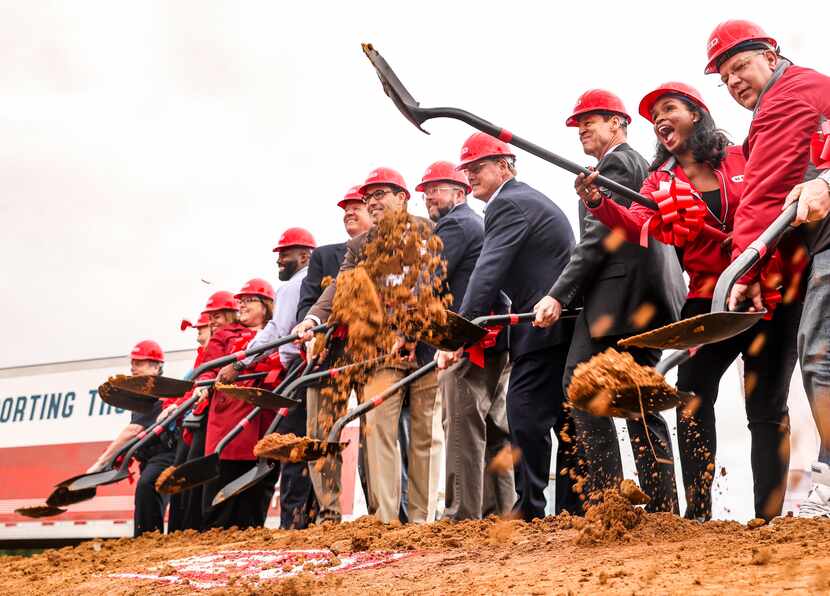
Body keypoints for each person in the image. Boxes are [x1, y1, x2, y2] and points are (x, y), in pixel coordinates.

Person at [581, 82, 801, 521]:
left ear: (697, 113)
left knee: (767, 405)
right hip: (707, 301)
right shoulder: (660, 181)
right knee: (693, 396)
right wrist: (599, 202)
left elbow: (776, 208)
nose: (660, 119)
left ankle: (770, 517)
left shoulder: (741, 157)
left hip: (766, 295)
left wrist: (748, 255)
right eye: (654, 116)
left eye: (669, 108)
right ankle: (698, 513)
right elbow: (637, 225)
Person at [533, 90, 685, 513]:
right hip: (647, 297)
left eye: (591, 120)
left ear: (617, 124)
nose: (582, 128)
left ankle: (605, 500)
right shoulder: (637, 165)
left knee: (579, 385)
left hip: (621, 300)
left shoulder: (618, 163)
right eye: (579, 122)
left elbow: (600, 238)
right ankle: (662, 504)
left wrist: (558, 295)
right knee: (639, 397)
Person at [703, 19, 830, 517]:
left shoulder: (787, 98)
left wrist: (745, 270)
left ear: (771, 57)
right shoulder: (809, 90)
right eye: (725, 77)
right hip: (814, 248)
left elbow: (764, 192)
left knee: (821, 358)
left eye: (741, 67)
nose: (734, 82)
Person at [437, 133, 576, 521]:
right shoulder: (524, 200)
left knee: (524, 414)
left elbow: (487, 273)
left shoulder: (509, 205)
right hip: (556, 324)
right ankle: (570, 507)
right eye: (466, 170)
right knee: (561, 417)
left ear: (505, 166)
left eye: (477, 168)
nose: (470, 176)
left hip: (543, 327)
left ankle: (532, 508)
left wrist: (458, 335)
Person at [294, 167, 444, 524]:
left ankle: (421, 521)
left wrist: (412, 328)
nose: (373, 202)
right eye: (369, 196)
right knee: (377, 432)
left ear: (402, 197)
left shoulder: (428, 230)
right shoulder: (359, 246)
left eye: (381, 194)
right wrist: (313, 320)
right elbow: (339, 287)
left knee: (426, 437)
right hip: (383, 354)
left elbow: (431, 278)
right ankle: (386, 521)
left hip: (424, 345)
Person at [418, 160, 515, 520]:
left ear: (460, 193)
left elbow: (428, 281)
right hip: (495, 337)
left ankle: (460, 515)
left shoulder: (456, 224)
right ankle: (499, 510)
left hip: (468, 340)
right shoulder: (478, 223)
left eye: (438, 188)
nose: (429, 195)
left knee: (461, 425)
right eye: (426, 190)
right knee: (492, 427)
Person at [298, 187, 372, 523]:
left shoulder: (390, 250)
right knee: (321, 433)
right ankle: (328, 512)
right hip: (329, 358)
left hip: (371, 353)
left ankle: (380, 510)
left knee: (375, 433)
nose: (349, 213)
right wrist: (311, 328)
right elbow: (309, 301)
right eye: (345, 209)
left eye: (356, 207)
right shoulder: (325, 256)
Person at [200, 279, 279, 529]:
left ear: (266, 305)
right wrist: (203, 385)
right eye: (240, 301)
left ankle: (252, 533)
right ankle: (215, 535)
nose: (242, 305)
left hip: (265, 416)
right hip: (229, 418)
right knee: (224, 478)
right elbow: (208, 367)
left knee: (259, 481)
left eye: (249, 300)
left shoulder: (280, 332)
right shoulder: (224, 335)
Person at [88, 340, 175, 536]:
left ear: (156, 366)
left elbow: (133, 430)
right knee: (147, 494)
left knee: (148, 486)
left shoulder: (160, 393)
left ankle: (148, 540)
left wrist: (102, 462)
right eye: (133, 362)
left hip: (166, 455)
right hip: (151, 457)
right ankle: (147, 538)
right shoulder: (143, 395)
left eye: (140, 363)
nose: (133, 367)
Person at [167, 311, 211, 533]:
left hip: (200, 421)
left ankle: (189, 527)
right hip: (189, 422)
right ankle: (177, 528)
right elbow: (187, 389)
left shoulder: (210, 356)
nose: (197, 334)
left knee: (190, 475)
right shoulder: (199, 357)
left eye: (201, 328)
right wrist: (174, 406)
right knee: (180, 477)